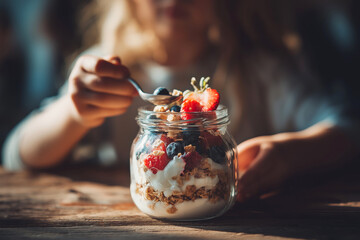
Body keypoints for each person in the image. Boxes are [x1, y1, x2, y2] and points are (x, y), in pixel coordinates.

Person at [2, 0, 359, 202]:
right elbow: (17, 155)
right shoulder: (111, 69)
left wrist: (289, 154)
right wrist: (73, 112)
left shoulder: (263, 71)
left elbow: (349, 128)